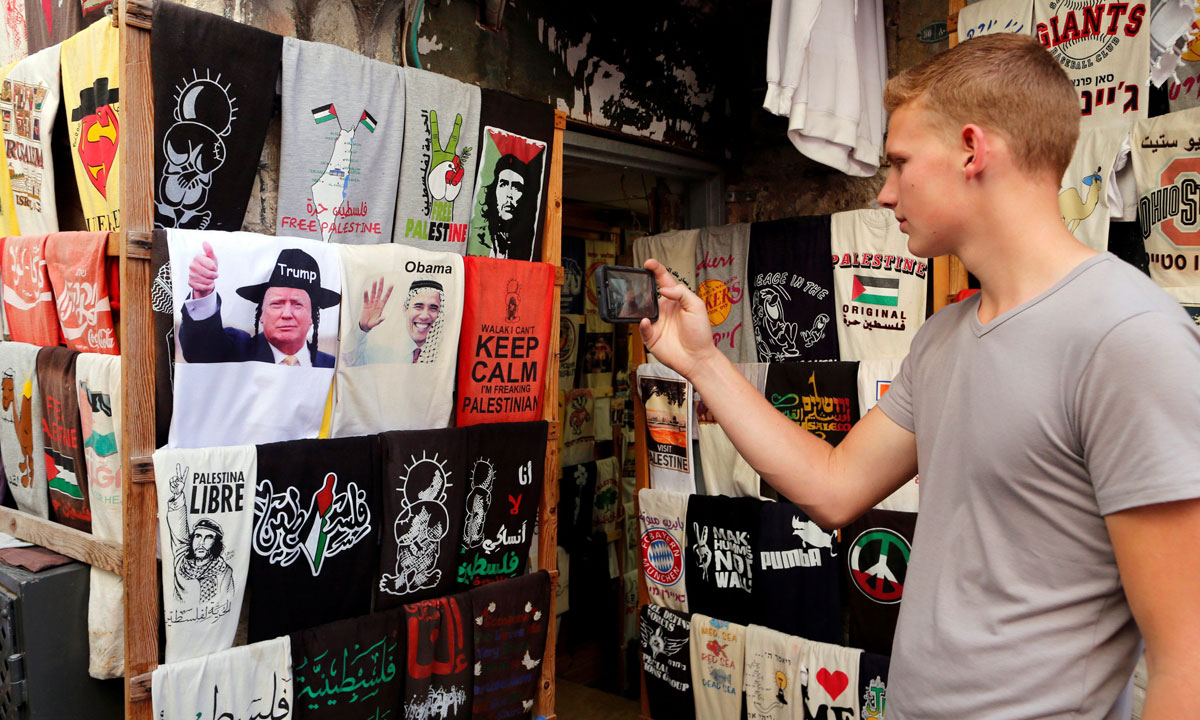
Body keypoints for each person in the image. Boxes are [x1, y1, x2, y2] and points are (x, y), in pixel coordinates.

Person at [640, 34, 1200, 718]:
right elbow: (834, 487)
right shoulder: (943, 337)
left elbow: (1188, 661)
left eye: (901, 163)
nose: (884, 193)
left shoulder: (1126, 336)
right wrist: (701, 360)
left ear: (972, 150)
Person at [180, 243, 341, 367]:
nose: (286, 314)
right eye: (277, 304)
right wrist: (202, 293)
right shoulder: (236, 351)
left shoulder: (330, 366)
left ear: (312, 315)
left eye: (297, 304)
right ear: (261, 313)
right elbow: (201, 350)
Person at [165, 463, 236, 609]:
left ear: (215, 543)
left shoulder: (224, 571)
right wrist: (178, 495)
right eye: (197, 536)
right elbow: (178, 529)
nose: (201, 542)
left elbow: (227, 601)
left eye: (208, 538)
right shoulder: (181, 561)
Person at [344, 277, 446, 365]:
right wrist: (362, 329)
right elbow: (348, 362)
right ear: (405, 308)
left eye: (433, 308)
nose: (424, 316)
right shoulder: (382, 353)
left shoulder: (445, 355)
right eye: (418, 306)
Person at [478, 153, 540, 260]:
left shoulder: (527, 243)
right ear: (494, 191)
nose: (509, 194)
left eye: (516, 187)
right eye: (504, 185)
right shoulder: (480, 238)